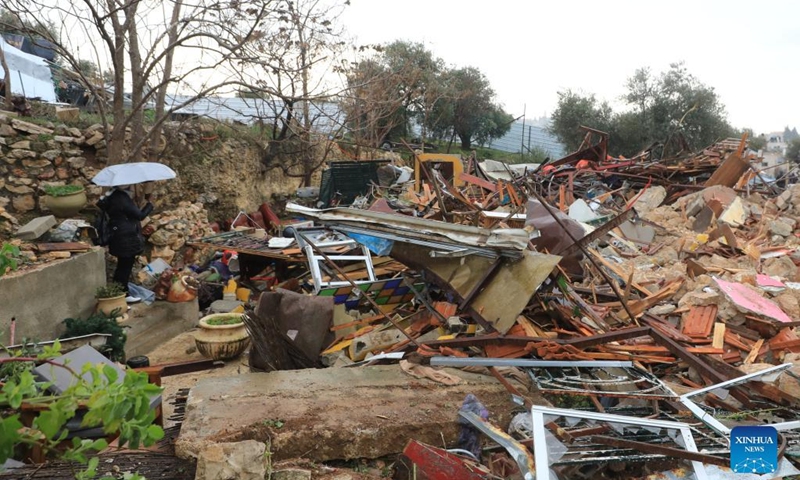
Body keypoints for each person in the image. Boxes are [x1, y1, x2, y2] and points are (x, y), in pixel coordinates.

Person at [97, 185, 154, 303]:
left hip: (117, 234)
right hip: (125, 237)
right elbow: (139, 215)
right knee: (125, 267)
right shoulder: (121, 198)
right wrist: (149, 204)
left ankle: (119, 292)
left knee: (122, 266)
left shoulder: (110, 196)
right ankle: (123, 294)